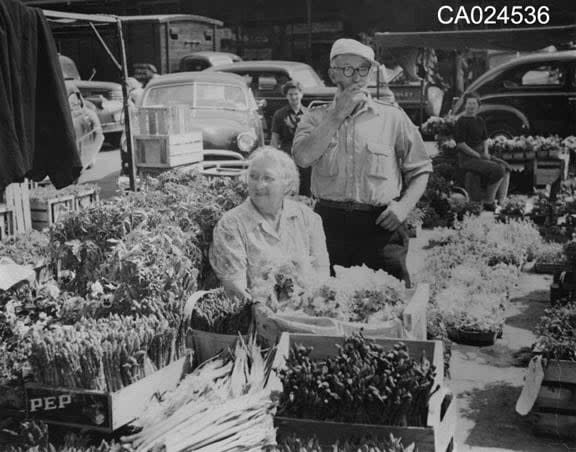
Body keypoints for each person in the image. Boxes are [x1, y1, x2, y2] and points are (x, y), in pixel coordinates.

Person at [292, 38, 432, 287]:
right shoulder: (315, 117)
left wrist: (403, 207)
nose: (356, 76)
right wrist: (337, 115)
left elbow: (421, 169)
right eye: (347, 69)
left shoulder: (392, 117)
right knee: (329, 303)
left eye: (362, 69)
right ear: (332, 74)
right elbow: (303, 158)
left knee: (393, 303)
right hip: (329, 227)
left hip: (380, 227)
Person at [209, 146, 330, 300]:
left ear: (287, 184)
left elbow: (322, 274)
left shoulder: (308, 218)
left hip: (308, 311)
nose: (259, 186)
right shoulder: (231, 225)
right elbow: (236, 291)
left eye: (268, 178)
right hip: (259, 314)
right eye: (253, 176)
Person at [454, 92, 510, 210]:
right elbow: (460, 144)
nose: (471, 106)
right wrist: (477, 155)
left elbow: (485, 139)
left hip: (481, 154)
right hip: (467, 158)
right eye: (469, 103)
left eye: (474, 103)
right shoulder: (461, 121)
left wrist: (485, 152)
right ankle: (488, 201)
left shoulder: (479, 120)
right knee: (497, 169)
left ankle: (501, 200)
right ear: (465, 105)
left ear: (478, 105)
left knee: (505, 167)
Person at [270, 81, 311, 196]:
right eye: (290, 94)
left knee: (306, 191)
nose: (293, 97)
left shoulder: (309, 114)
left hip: (306, 158)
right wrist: (274, 160)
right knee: (287, 190)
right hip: (287, 157)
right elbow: (274, 140)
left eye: (296, 94)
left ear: (301, 94)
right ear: (286, 96)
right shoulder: (279, 114)